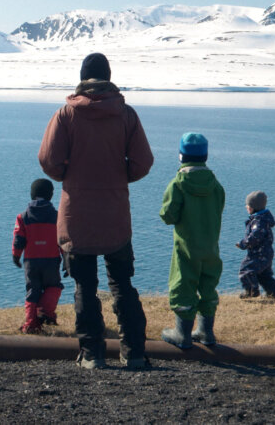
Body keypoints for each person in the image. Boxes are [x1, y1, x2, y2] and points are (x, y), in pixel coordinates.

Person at [38, 53, 154, 369]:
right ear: (108, 76)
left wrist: (69, 175)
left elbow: (48, 160)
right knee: (122, 284)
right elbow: (143, 162)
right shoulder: (126, 115)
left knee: (84, 288)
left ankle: (92, 354)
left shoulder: (66, 115)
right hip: (116, 214)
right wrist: (119, 177)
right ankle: (134, 353)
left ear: (82, 77)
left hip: (76, 216)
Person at [159, 133, 225, 349]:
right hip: (210, 245)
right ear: (205, 156)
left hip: (186, 245)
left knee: (182, 283)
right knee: (208, 284)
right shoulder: (215, 185)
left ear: (181, 156)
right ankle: (206, 332)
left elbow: (168, 215)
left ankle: (182, 333)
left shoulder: (178, 184)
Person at [12, 178, 64, 334]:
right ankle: (45, 312)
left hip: (31, 262)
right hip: (51, 260)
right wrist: (68, 260)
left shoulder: (23, 217)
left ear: (31, 194)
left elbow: (19, 239)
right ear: (51, 195)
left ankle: (31, 324)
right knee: (54, 287)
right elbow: (63, 240)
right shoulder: (57, 216)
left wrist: (16, 256)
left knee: (32, 291)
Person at [236, 190, 275, 299]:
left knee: (246, 270)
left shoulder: (259, 222)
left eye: (247, 205)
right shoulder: (264, 218)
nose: (246, 207)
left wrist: (243, 244)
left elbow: (254, 237)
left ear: (252, 208)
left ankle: (251, 291)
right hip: (266, 253)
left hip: (258, 254)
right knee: (264, 274)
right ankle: (272, 292)